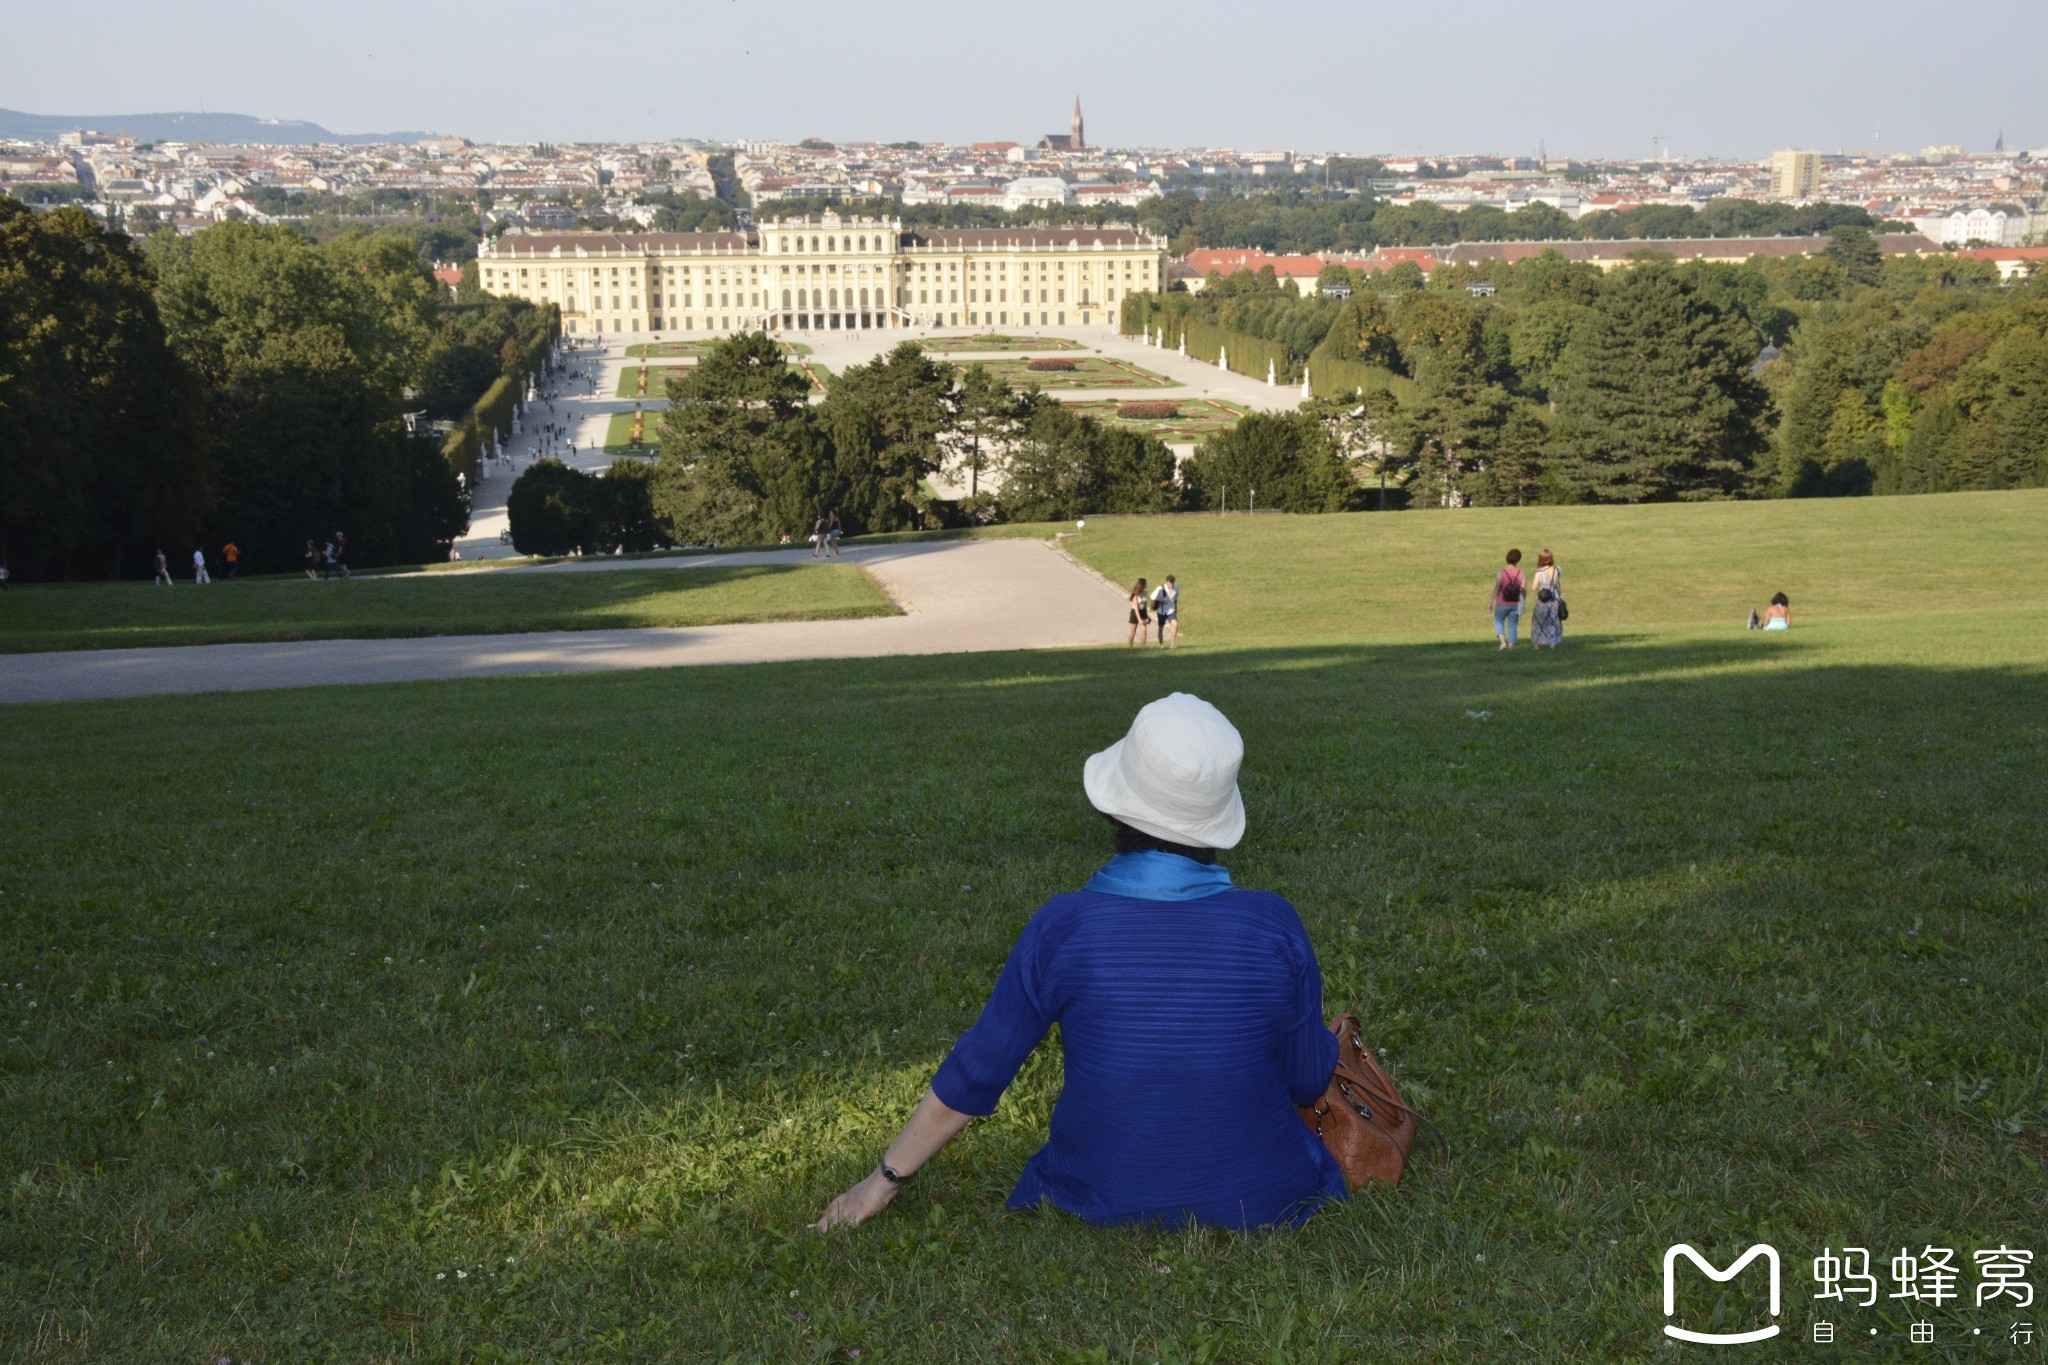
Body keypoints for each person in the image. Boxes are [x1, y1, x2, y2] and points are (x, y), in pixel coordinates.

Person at [815, 693, 1345, 1232]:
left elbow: (978, 1071)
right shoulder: (1275, 924)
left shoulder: (1064, 927)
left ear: (1116, 805)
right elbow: (1307, 1081)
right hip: (1264, 1197)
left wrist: (881, 1180)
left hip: (1097, 1193)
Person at [1491, 549, 1525, 650]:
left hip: (1502, 603)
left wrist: (1490, 601)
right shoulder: (1521, 573)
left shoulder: (1502, 573)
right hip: (1515, 603)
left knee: (1498, 621)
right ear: (1518, 560)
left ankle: (1503, 643)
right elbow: (1523, 590)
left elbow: (1496, 589)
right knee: (1513, 625)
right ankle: (1511, 646)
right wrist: (1522, 603)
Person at [1529, 549, 1562, 649]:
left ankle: (1537, 645)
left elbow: (1534, 588)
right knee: (1553, 621)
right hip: (1555, 598)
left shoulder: (1539, 572)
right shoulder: (1558, 569)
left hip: (1543, 599)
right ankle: (1552, 644)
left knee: (1538, 621)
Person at [1152, 575, 1179, 647]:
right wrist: (1159, 598)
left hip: (1171, 610)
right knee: (1161, 627)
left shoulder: (1176, 587)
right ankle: (1161, 644)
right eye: (1170, 584)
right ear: (1167, 582)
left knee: (1175, 624)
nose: (1171, 586)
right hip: (1161, 611)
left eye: (1172, 584)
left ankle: (1172, 643)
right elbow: (1152, 596)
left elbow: (1176, 598)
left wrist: (1176, 608)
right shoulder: (1160, 588)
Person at [1126, 578, 1150, 646]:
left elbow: (1145, 604)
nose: (1146, 585)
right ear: (1141, 585)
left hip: (1143, 612)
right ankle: (1130, 646)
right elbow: (1136, 608)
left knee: (1144, 630)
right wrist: (1139, 619)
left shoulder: (1145, 592)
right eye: (1145, 584)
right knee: (1133, 631)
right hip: (1135, 613)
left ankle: (1143, 647)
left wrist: (1147, 615)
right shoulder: (1135, 594)